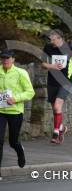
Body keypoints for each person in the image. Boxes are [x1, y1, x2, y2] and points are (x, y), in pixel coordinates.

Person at [0, 50, 35, 180]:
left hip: (15, 111)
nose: (5, 61)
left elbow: (30, 92)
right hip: (0, 111)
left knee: (13, 142)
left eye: (7, 58)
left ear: (13, 59)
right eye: (3, 58)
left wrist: (16, 98)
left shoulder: (21, 73)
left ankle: (20, 152)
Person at [42, 29, 72, 144]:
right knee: (55, 109)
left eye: (53, 39)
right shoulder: (48, 48)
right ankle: (62, 128)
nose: (51, 41)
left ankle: (56, 132)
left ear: (59, 38)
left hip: (66, 82)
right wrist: (52, 66)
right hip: (52, 82)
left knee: (58, 106)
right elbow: (43, 64)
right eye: (50, 39)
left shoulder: (70, 49)